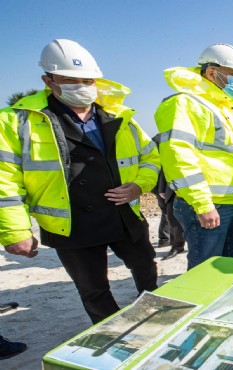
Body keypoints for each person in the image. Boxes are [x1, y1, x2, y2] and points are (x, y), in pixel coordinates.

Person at [0, 39, 160, 324]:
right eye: (70, 80)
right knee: (93, 289)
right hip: (72, 222)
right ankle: (111, 335)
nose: (82, 86)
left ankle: (152, 314)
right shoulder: (18, 121)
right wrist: (15, 231)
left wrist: (139, 185)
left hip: (124, 214)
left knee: (145, 266)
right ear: (48, 80)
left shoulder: (118, 116)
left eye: (88, 79)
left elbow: (151, 157)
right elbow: (5, 179)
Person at [155, 43, 233, 270]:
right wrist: (202, 204)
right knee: (205, 271)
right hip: (209, 205)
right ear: (211, 72)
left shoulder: (227, 109)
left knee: (232, 268)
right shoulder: (185, 103)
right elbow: (179, 156)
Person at [154, 164, 185, 260]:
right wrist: (162, 187)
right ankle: (177, 246)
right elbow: (166, 164)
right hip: (175, 186)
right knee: (172, 218)